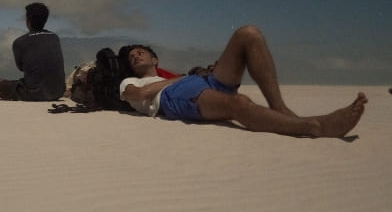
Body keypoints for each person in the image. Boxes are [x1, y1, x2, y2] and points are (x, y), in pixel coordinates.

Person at [119, 25, 367, 138]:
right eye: (132, 57)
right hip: (177, 97)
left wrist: (200, 74)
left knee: (248, 35)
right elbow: (139, 95)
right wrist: (185, 78)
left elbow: (182, 78)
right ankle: (314, 127)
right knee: (239, 103)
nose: (135, 56)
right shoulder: (130, 81)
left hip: (201, 81)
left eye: (140, 52)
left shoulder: (170, 75)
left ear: (155, 58)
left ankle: (279, 107)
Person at [0, 2, 66, 101]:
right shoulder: (54, 37)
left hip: (33, 93)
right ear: (45, 20)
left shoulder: (19, 42)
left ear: (28, 20)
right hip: (58, 91)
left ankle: (11, 94)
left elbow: (22, 68)